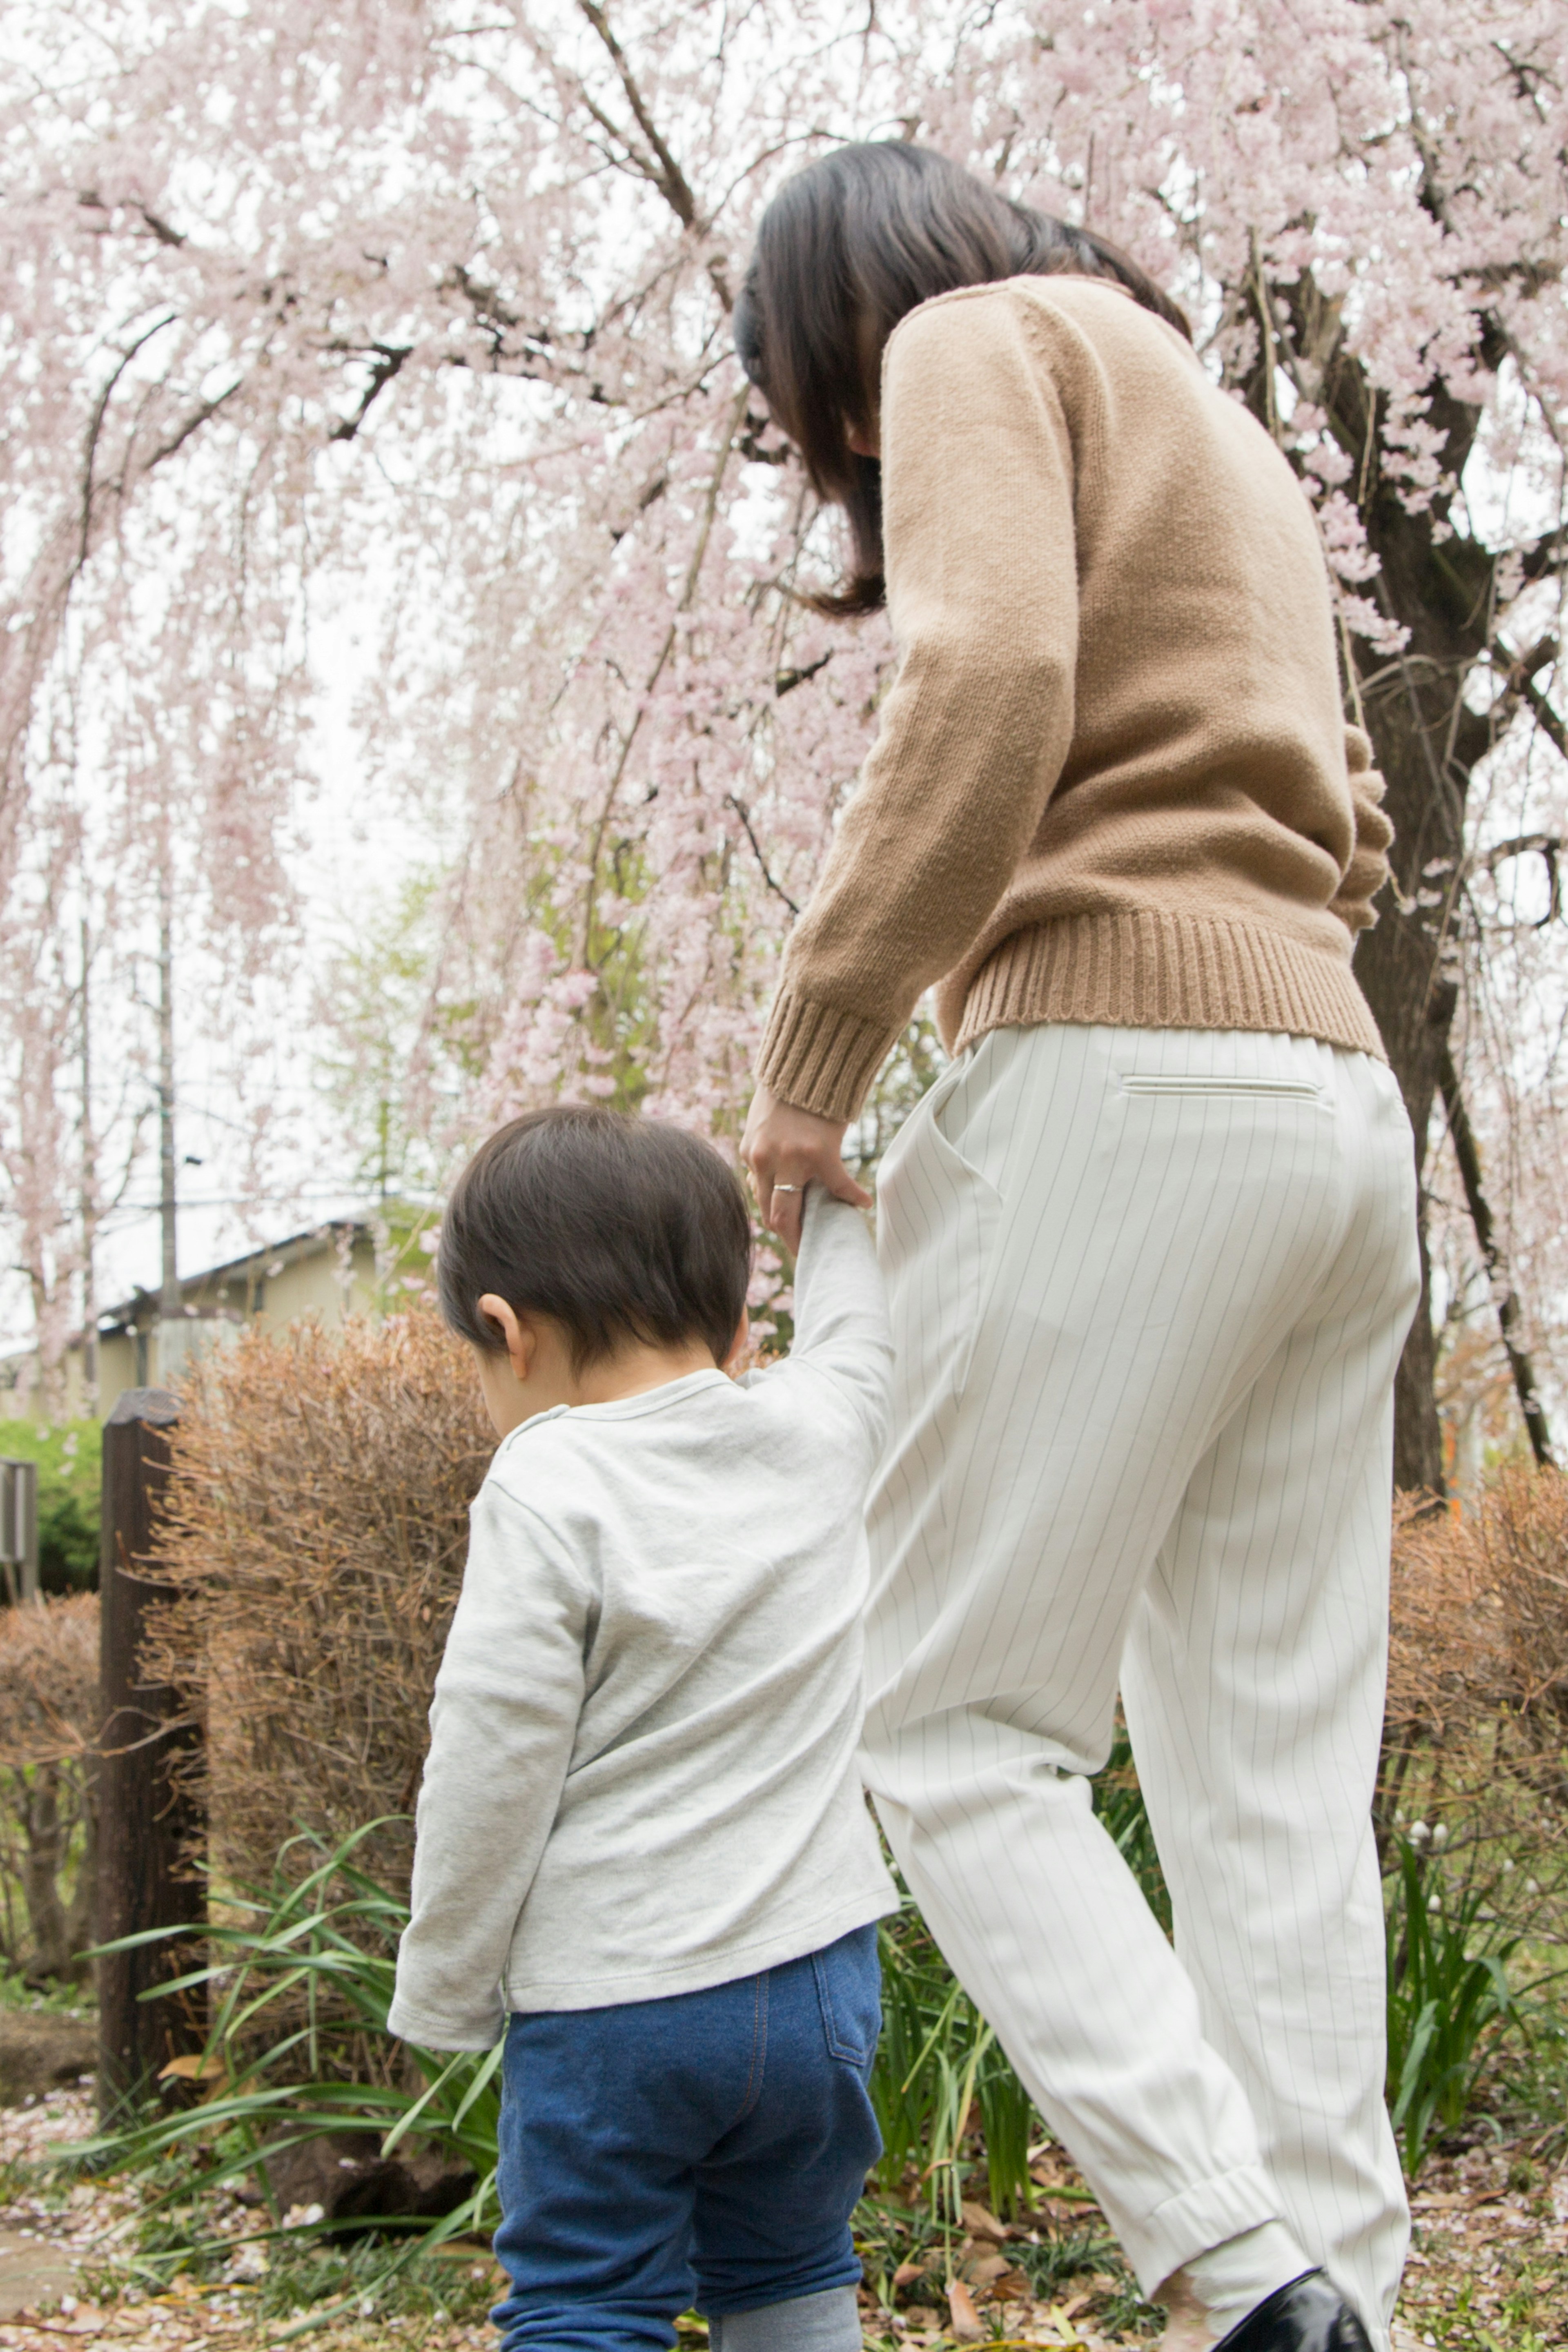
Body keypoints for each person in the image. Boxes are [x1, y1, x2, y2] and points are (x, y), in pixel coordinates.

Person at [738, 143, 1420, 2352]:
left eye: (811, 409)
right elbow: (1363, 815)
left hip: (1122, 1075)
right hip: (1331, 1106)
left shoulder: (963, 338)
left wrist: (817, 1055)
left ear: (843, 330)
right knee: (1274, 1792)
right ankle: (1347, 2314)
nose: (843, 452)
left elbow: (994, 676)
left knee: (942, 1720)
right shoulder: (1213, 422)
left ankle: (1239, 2275)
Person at [388, 1107, 898, 2352]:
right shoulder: (817, 1432)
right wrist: (823, 1202)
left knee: (586, 2301)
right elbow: (864, 1339)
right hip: (823, 1983)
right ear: (735, 1324)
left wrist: (446, 1988)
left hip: (620, 2002)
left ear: (507, 1332)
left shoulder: (549, 1481)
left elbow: (491, 1764)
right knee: (791, 2272)